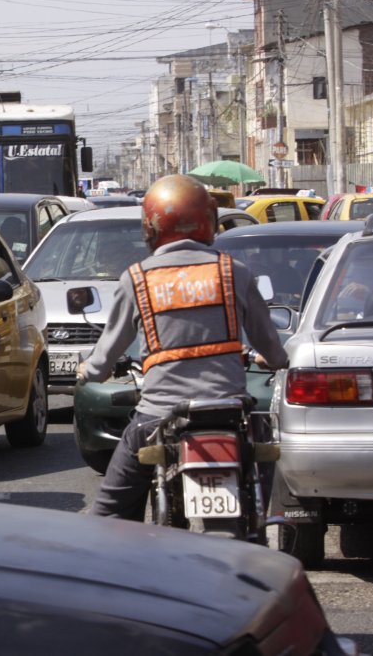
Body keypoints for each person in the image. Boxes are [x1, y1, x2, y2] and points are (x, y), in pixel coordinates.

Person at [76, 174, 288, 521]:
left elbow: (107, 351)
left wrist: (90, 371)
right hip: (228, 410)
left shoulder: (138, 277)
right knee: (261, 459)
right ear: (210, 221)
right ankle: (261, 521)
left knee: (109, 514)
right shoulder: (233, 271)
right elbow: (271, 345)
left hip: (159, 417)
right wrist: (275, 359)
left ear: (151, 226)